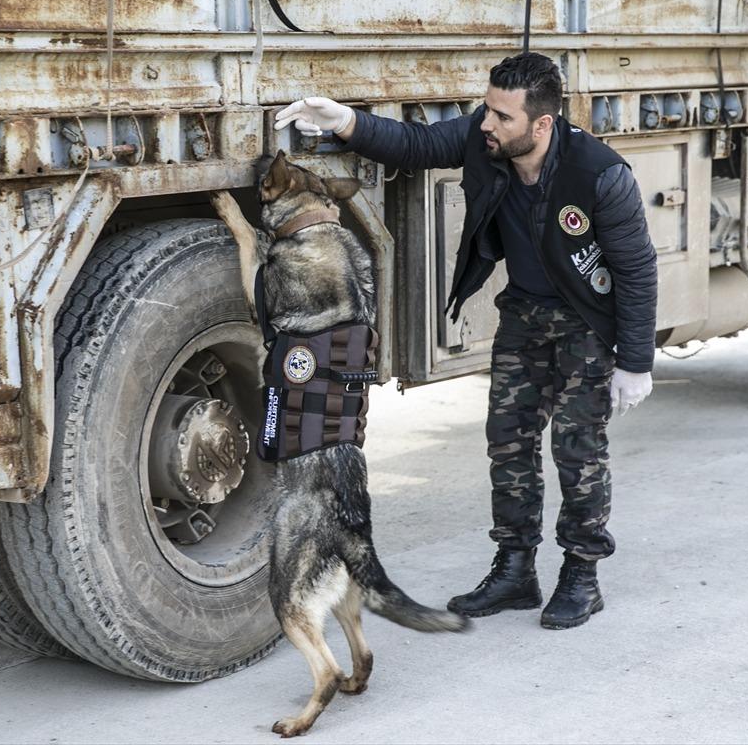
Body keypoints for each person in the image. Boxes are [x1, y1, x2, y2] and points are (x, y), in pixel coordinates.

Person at [273, 52, 657, 629]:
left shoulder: (600, 175)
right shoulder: (487, 140)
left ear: (542, 124)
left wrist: (635, 361)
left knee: (577, 450)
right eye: (488, 110)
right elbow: (416, 145)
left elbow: (637, 269)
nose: (487, 124)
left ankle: (581, 573)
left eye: (503, 116)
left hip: (586, 325)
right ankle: (515, 569)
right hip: (525, 314)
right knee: (508, 441)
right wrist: (343, 121)